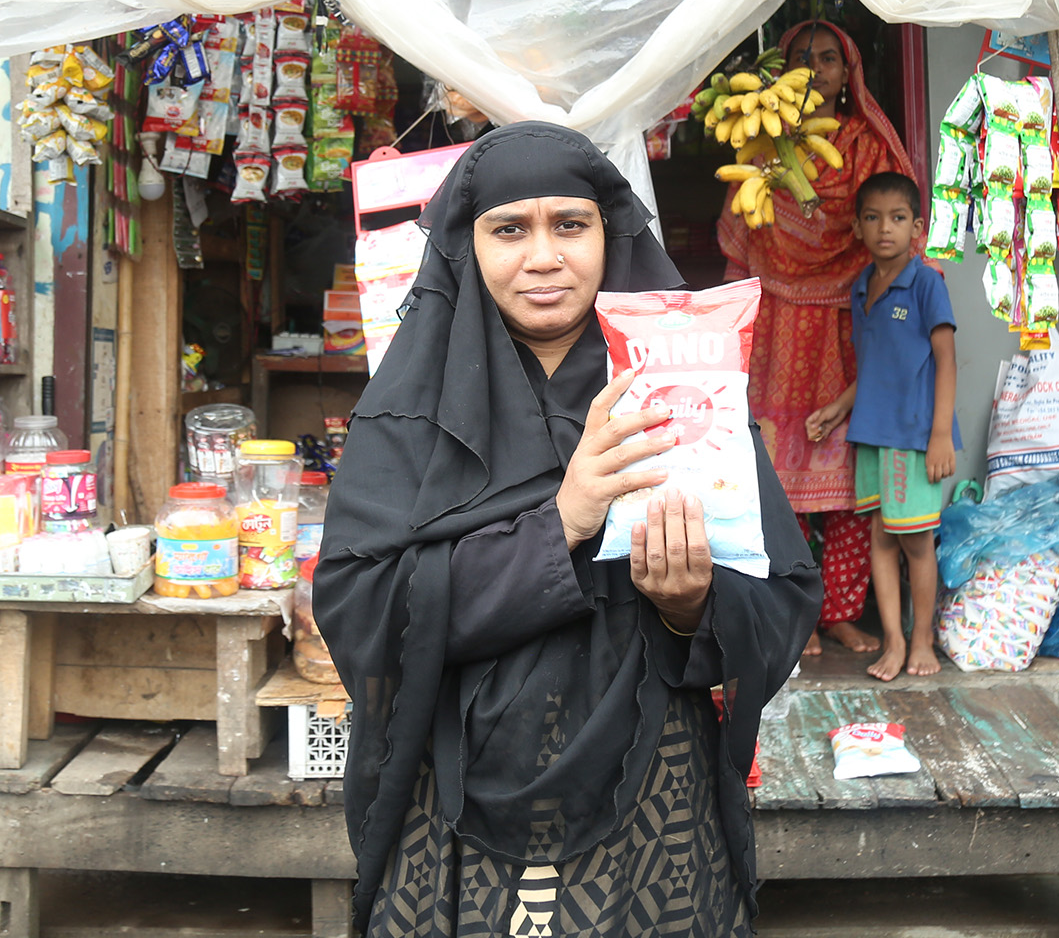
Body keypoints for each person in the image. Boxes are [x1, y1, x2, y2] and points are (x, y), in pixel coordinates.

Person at [318, 122, 821, 938]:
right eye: (509, 229)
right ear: (466, 247)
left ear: (609, 234)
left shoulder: (682, 395)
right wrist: (565, 520)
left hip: (652, 787)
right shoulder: (407, 415)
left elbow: (784, 597)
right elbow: (358, 611)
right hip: (453, 799)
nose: (543, 256)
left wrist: (693, 604)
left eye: (570, 225)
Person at [719, 20, 913, 655]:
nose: (816, 67)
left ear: (848, 70)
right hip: (777, 322)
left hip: (848, 322)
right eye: (803, 57)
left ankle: (838, 611)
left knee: (849, 476)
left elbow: (889, 230)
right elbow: (740, 238)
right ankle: (792, 611)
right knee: (778, 473)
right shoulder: (761, 148)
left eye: (829, 57)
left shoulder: (865, 146)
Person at [802, 172, 957, 681]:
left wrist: (939, 435)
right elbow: (872, 366)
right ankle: (892, 639)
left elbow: (946, 359)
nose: (884, 229)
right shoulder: (863, 287)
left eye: (896, 219)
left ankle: (921, 640)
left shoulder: (927, 282)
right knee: (881, 539)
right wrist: (839, 407)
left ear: (916, 226)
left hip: (914, 436)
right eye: (873, 218)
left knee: (916, 540)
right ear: (857, 226)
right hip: (871, 432)